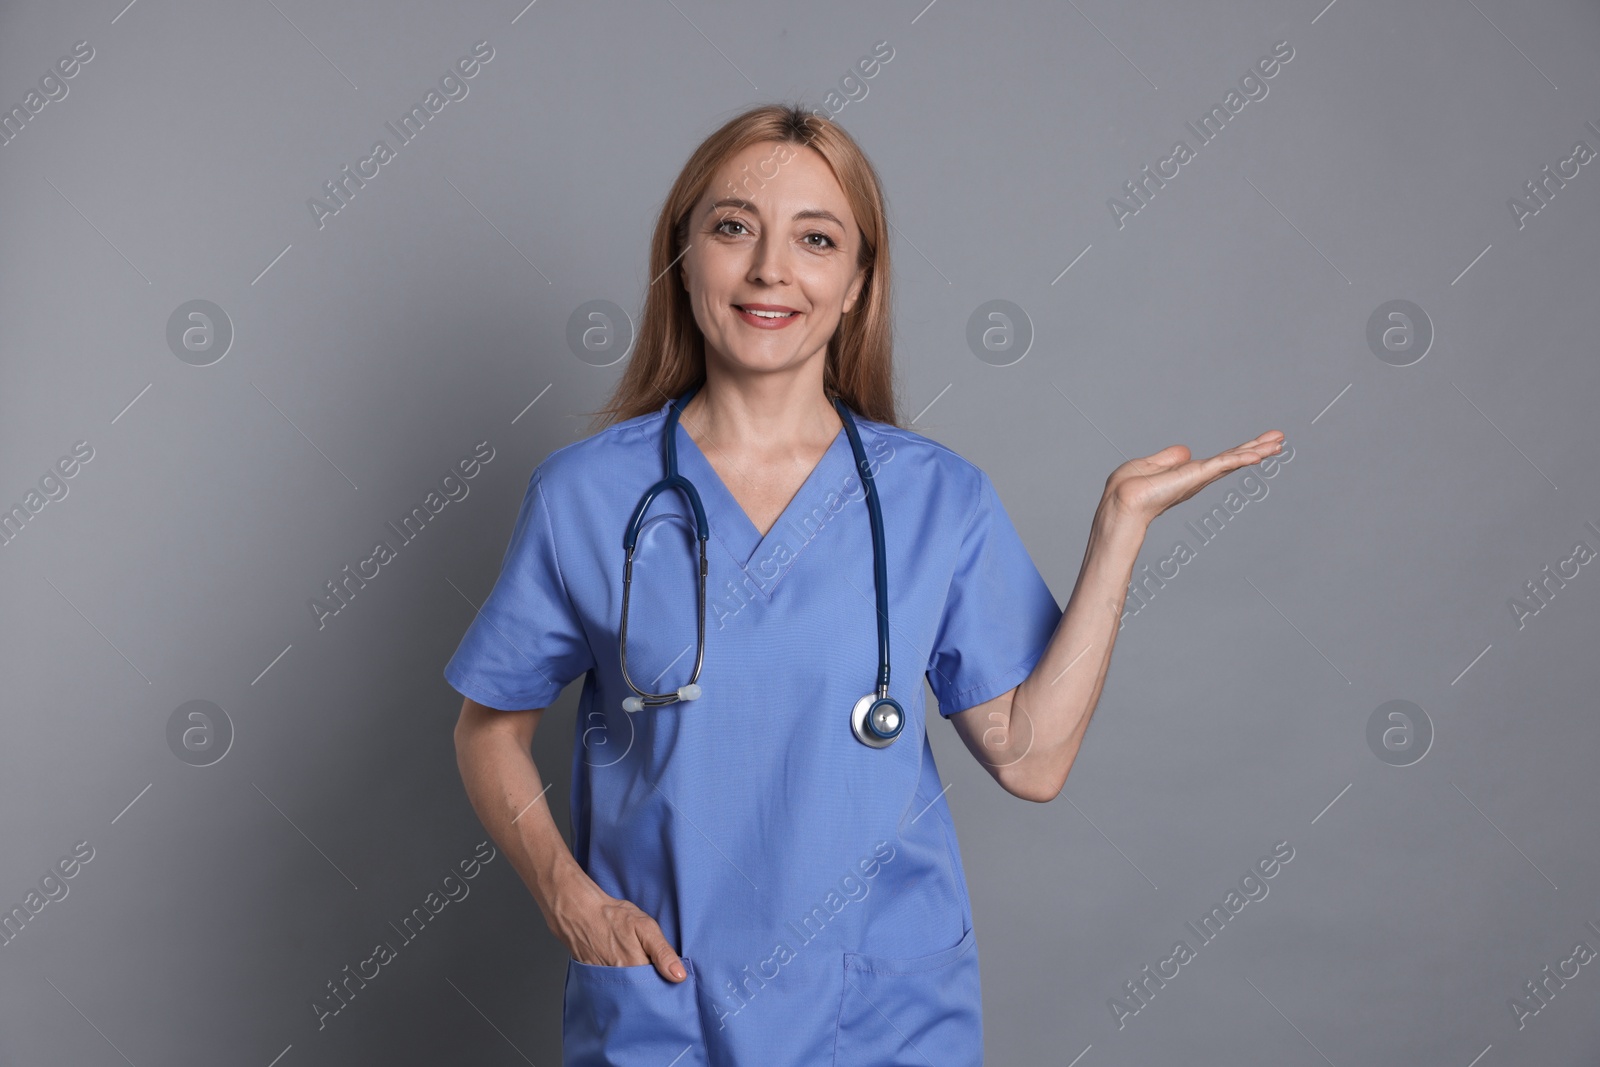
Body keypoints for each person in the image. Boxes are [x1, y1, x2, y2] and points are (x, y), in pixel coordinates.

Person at [447, 103, 1283, 1066]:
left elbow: (1030, 757)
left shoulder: (937, 497)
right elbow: (488, 726)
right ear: (683, 260)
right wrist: (566, 893)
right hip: (665, 1001)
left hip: (880, 1016)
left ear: (856, 283)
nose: (770, 269)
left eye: (815, 239)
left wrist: (1117, 533)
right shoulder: (585, 496)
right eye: (732, 228)